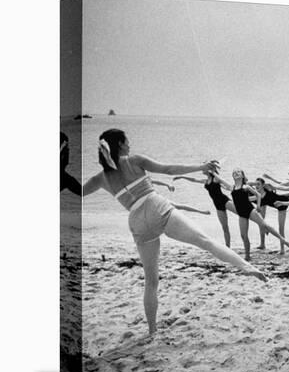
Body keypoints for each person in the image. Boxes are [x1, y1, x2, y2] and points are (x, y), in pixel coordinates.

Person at [83, 129, 267, 335]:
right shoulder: (134, 160)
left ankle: (152, 331)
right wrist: (202, 166)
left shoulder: (100, 178)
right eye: (128, 140)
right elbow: (169, 169)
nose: (130, 143)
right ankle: (246, 267)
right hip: (156, 207)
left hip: (136, 221)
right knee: (205, 241)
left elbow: (77, 191)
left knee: (151, 281)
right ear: (120, 145)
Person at [215, 168, 289, 261]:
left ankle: (284, 240)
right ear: (233, 176)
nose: (236, 173)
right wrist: (212, 172)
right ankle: (247, 256)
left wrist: (258, 206)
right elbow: (221, 180)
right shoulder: (232, 187)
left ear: (242, 175)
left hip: (250, 210)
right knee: (243, 235)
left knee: (264, 225)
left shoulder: (246, 187)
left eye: (238, 172)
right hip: (241, 213)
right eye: (234, 173)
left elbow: (258, 195)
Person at [253, 177, 289, 255]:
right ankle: (262, 244)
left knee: (281, 228)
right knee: (261, 222)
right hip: (267, 202)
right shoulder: (257, 196)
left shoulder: (268, 190)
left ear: (263, 185)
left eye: (258, 184)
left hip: (282, 203)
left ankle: (282, 249)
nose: (256, 186)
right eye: (255, 184)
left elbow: (284, 192)